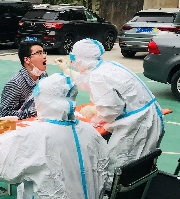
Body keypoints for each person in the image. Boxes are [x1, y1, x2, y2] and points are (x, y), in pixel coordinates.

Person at [57, 38, 165, 178]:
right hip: (147, 116)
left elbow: (110, 111)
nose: (74, 62)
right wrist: (66, 69)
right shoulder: (105, 66)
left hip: (137, 126)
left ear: (82, 59)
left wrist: (94, 112)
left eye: (73, 58)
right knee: (142, 166)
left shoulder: (99, 75)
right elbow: (86, 81)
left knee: (121, 169)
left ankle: (122, 191)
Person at [0, 43, 48, 119]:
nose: (44, 56)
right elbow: (4, 114)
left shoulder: (43, 75)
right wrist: (35, 111)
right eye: (39, 53)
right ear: (27, 60)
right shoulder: (15, 84)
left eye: (43, 52)